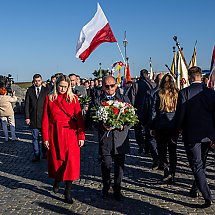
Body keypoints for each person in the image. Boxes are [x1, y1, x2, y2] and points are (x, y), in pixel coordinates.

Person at [175, 66, 215, 208]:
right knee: (201, 163)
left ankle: (207, 196)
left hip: (191, 134)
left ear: (191, 77)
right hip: (208, 134)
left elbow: (180, 115)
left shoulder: (185, 92)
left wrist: (177, 129)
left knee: (197, 165)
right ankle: (195, 188)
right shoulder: (211, 93)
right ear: (200, 76)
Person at [42, 75, 85, 204]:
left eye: (65, 87)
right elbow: (45, 119)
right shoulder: (49, 98)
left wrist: (81, 136)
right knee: (57, 162)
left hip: (71, 133)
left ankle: (68, 191)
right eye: (60, 86)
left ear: (69, 87)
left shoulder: (74, 99)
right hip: (55, 133)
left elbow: (80, 120)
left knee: (70, 163)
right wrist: (45, 138)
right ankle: (56, 180)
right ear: (56, 85)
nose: (62, 89)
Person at [93, 75, 131, 201]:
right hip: (106, 138)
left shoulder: (124, 99)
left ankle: (117, 188)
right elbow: (92, 119)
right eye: (107, 86)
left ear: (116, 85)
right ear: (103, 87)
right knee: (106, 164)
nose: (110, 88)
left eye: (112, 85)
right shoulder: (98, 100)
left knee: (120, 165)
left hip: (120, 138)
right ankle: (106, 186)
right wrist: (101, 125)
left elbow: (131, 118)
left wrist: (123, 126)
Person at [150, 74, 178, 184]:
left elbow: (153, 112)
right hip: (173, 125)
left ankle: (166, 169)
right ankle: (173, 172)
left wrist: (152, 126)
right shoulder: (177, 94)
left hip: (161, 125)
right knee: (172, 150)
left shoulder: (159, 94)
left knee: (162, 150)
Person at [128, 69, 155, 154]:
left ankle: (141, 144)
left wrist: (132, 109)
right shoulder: (153, 84)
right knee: (148, 130)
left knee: (138, 129)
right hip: (150, 111)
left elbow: (132, 98)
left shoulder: (136, 85)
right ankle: (147, 146)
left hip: (138, 110)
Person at [25, 74, 49, 162]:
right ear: (33, 81)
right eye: (35, 81)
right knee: (35, 138)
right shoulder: (30, 90)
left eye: (39, 80)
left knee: (44, 137)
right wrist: (27, 117)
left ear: (41, 80)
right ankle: (36, 154)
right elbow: (27, 104)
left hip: (44, 118)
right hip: (33, 118)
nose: (37, 82)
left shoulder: (46, 90)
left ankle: (45, 153)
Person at [142, 73, 164, 170]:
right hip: (166, 122)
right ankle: (161, 160)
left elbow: (146, 108)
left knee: (152, 141)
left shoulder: (151, 93)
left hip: (154, 121)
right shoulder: (150, 93)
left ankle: (157, 158)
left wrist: (144, 121)